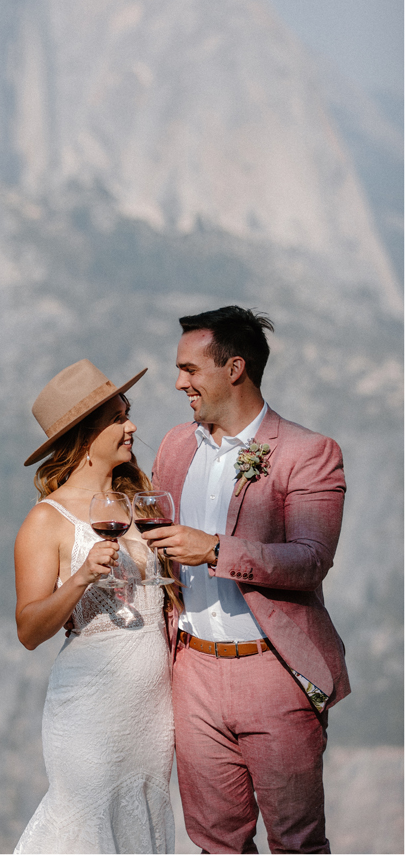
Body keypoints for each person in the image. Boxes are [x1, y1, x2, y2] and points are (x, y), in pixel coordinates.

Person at [144, 306, 350, 855]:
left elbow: (310, 560)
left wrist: (212, 549)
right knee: (215, 841)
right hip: (191, 672)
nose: (178, 381)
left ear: (234, 368)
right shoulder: (174, 447)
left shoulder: (309, 453)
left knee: (297, 841)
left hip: (273, 670)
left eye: (190, 369)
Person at [13, 359, 175, 855]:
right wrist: (82, 578)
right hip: (91, 707)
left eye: (128, 413)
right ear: (86, 437)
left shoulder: (143, 505)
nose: (132, 427)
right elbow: (29, 629)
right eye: (118, 419)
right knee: (87, 826)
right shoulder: (47, 521)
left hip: (153, 711)